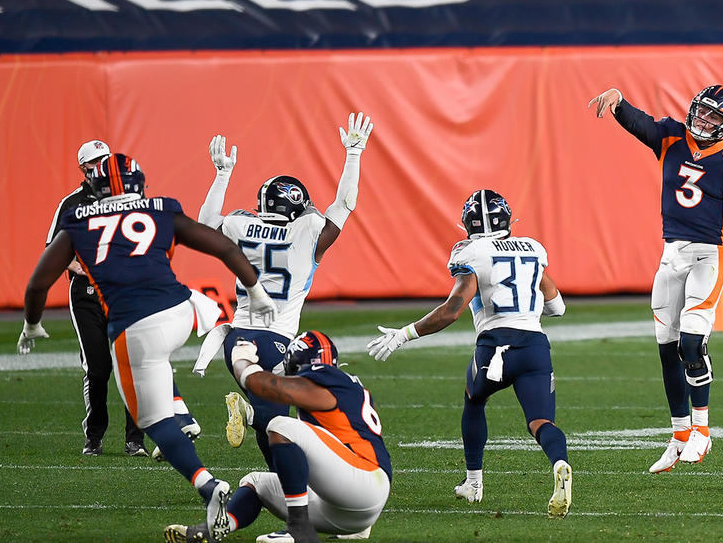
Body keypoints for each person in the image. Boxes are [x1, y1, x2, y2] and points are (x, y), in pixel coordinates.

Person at [22, 153, 278, 542]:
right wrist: (256, 291)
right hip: (183, 310)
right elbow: (223, 247)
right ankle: (210, 345)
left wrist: (32, 324)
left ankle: (208, 485)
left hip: (136, 328)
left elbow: (37, 284)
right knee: (167, 350)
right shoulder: (161, 210)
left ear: (94, 188)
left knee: (153, 420)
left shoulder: (78, 223)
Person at [587, 86, 723, 474]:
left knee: (691, 340)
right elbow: (640, 124)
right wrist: (619, 101)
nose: (704, 121)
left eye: (714, 117)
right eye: (701, 113)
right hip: (671, 253)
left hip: (709, 253)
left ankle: (702, 430)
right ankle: (679, 435)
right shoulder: (672, 135)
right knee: (666, 346)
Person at [366, 190, 573, 519]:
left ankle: (474, 482)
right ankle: (560, 462)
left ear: (467, 224)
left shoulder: (469, 251)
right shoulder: (534, 247)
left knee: (474, 400)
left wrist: (404, 334)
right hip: (535, 346)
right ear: (507, 219)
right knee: (540, 422)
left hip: (495, 346)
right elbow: (557, 306)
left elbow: (452, 309)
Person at [193, 112, 374, 470]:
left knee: (270, 415)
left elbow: (206, 225)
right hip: (276, 339)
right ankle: (286, 478)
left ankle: (259, 432)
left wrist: (222, 175)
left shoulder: (241, 223)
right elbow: (344, 204)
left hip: (237, 336)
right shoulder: (307, 230)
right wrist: (353, 155)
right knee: (282, 421)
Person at [166, 331, 391, 543]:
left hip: (363, 482)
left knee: (281, 425)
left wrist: (243, 361)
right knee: (255, 482)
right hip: (349, 508)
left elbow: (262, 386)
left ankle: (298, 527)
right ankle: (214, 529)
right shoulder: (344, 388)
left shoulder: (327, 382)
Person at [39, 140, 147, 457]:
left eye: (105, 160)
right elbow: (52, 251)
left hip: (123, 290)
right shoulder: (71, 202)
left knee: (132, 364)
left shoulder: (125, 195)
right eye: (95, 162)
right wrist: (82, 267)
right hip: (86, 292)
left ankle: (135, 440)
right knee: (98, 369)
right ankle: (94, 436)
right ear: (83, 169)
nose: (101, 167)